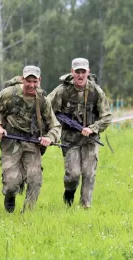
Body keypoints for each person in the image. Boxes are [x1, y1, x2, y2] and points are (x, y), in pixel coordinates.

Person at [0, 66, 61, 213]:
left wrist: (49, 137)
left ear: (39, 80)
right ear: (22, 79)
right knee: (11, 183)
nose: (31, 85)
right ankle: (10, 196)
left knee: (35, 179)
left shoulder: (42, 100)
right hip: (11, 142)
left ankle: (27, 214)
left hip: (32, 143)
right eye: (28, 81)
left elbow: (55, 126)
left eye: (35, 81)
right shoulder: (9, 94)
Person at [47, 58, 112, 208]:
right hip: (70, 140)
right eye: (77, 72)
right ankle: (69, 191)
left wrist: (93, 128)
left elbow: (107, 116)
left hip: (90, 140)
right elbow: (46, 108)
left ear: (88, 72)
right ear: (72, 72)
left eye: (83, 72)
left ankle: (85, 208)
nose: (80, 75)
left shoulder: (95, 91)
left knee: (89, 173)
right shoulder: (63, 90)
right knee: (73, 176)